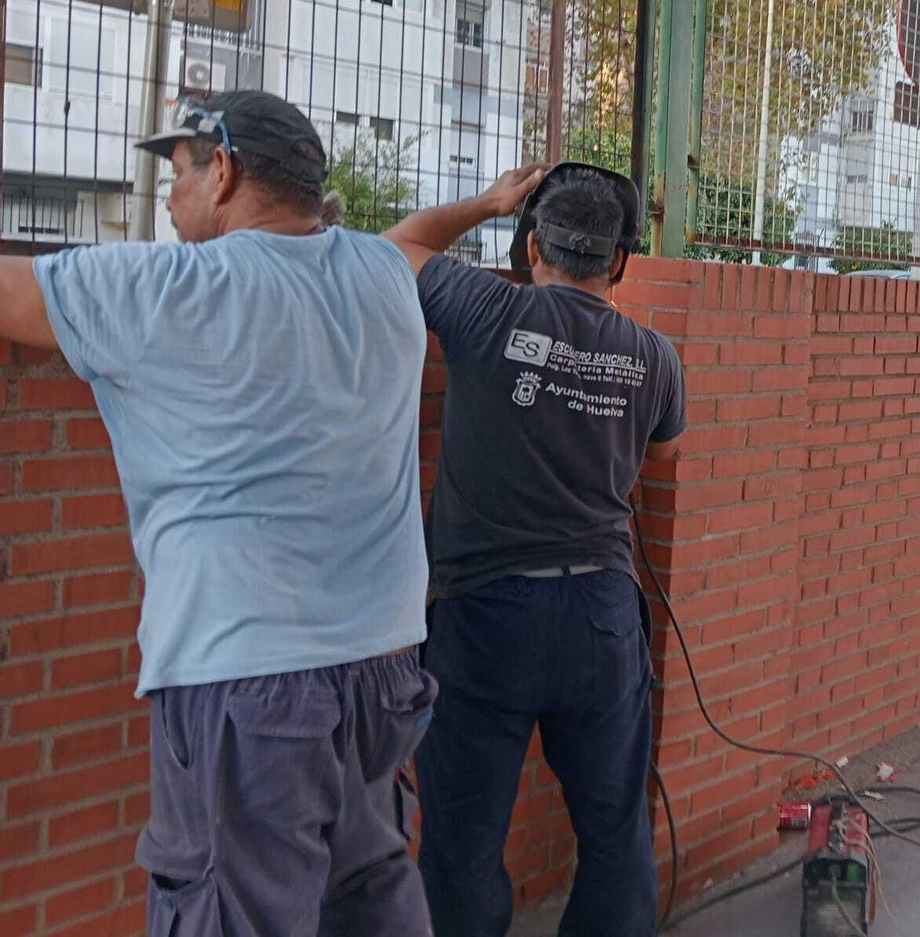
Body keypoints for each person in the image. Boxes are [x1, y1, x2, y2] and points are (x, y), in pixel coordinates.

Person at [0, 91, 437, 935]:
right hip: (383, 671)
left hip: (248, 686)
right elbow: (416, 237)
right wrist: (488, 204)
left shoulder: (163, 290)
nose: (167, 195)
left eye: (179, 172)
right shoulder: (384, 277)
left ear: (225, 171)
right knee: (368, 898)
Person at [383, 161, 686, 937]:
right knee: (616, 839)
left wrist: (487, 199)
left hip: (484, 622)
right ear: (618, 262)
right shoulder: (657, 359)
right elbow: (661, 452)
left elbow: (394, 247)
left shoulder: (483, 309)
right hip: (601, 620)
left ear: (528, 248)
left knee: (460, 849)